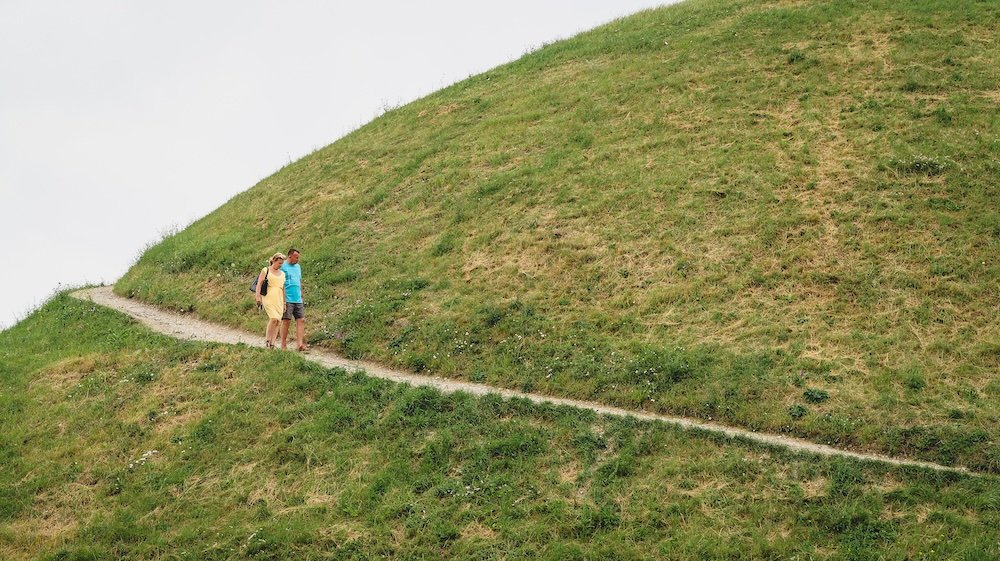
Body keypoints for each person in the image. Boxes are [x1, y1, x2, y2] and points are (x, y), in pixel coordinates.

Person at [255, 252, 287, 348]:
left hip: (279, 298)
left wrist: (285, 302)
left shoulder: (282, 274)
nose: (280, 265)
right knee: (273, 318)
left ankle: (272, 343)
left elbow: (283, 288)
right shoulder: (266, 270)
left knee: (277, 321)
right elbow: (259, 284)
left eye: (282, 263)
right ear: (274, 261)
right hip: (269, 297)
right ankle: (268, 340)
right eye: (279, 263)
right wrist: (258, 296)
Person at [280, 247, 307, 351]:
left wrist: (301, 293)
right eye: (296, 257)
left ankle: (299, 344)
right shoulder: (283, 267)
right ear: (290, 256)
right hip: (287, 298)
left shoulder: (298, 267)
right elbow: (281, 283)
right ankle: (283, 344)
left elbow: (299, 280)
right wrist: (283, 299)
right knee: (286, 320)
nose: (297, 260)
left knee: (301, 320)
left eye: (298, 258)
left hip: (297, 298)